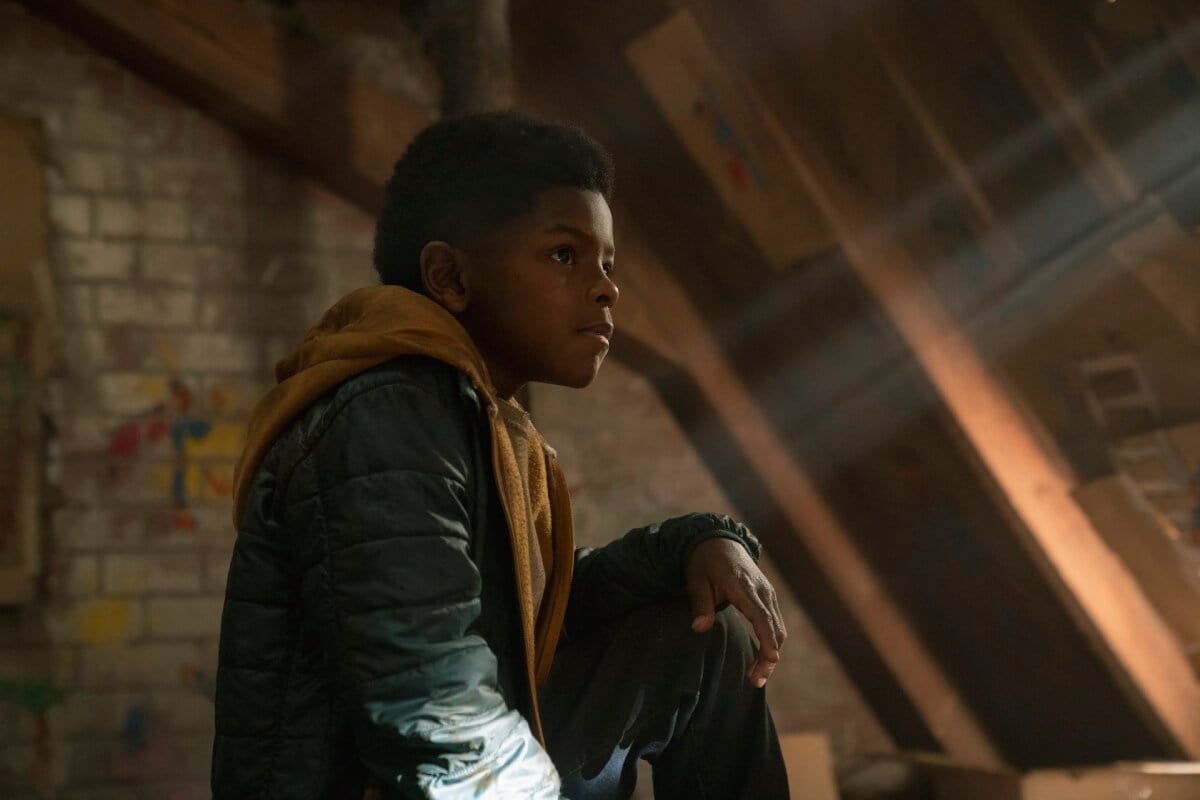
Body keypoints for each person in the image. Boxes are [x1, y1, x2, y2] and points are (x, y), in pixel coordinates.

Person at [211, 111, 790, 799]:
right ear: (450, 277)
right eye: (564, 255)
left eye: (607, 263)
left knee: (708, 641)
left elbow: (538, 617)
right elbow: (430, 703)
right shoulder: (385, 416)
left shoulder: (483, 416)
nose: (606, 287)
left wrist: (697, 544)